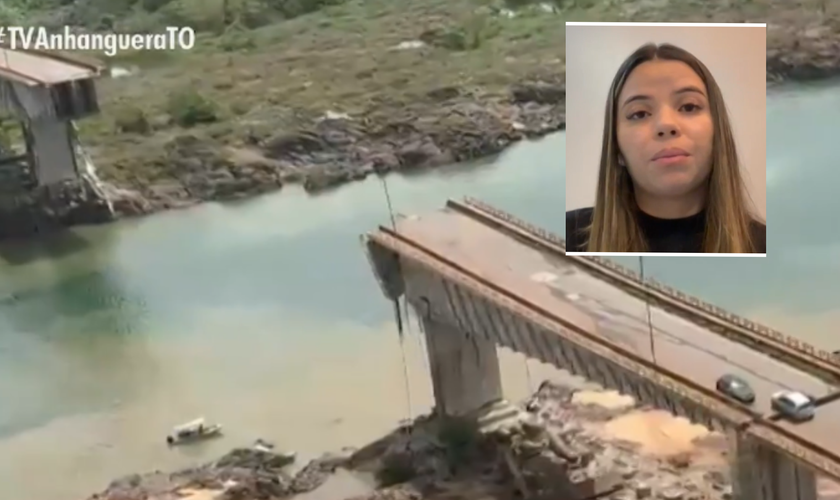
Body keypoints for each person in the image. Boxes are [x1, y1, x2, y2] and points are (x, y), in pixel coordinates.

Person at [566, 43, 766, 253]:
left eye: (689, 107)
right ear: (616, 147)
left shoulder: (763, 245)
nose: (666, 125)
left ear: (719, 133)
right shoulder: (567, 237)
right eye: (640, 114)